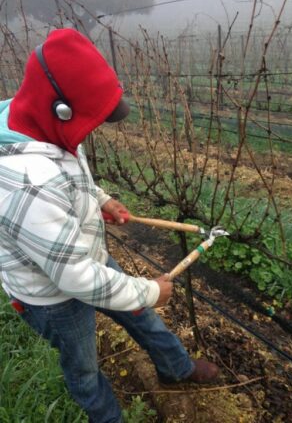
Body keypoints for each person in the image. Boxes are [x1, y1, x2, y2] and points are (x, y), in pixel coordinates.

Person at [0, 29, 219, 423]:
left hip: (81, 258)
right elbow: (76, 279)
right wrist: (151, 290)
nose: (92, 131)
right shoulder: (30, 183)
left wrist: (100, 200)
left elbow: (66, 169)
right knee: (84, 367)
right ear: (60, 108)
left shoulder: (36, 123)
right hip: (54, 296)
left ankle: (177, 369)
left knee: (139, 313)